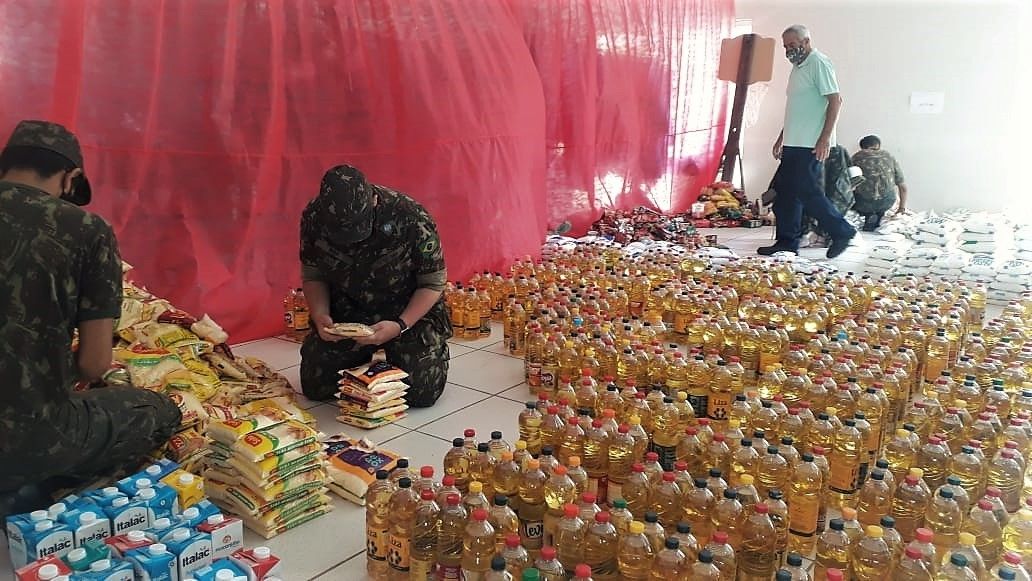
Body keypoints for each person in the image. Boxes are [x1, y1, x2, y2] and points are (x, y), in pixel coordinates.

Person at [0, 120, 181, 517]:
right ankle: (40, 491)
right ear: (71, 178)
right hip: (27, 439)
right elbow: (94, 364)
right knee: (157, 411)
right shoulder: (85, 229)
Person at [299, 165, 452, 407]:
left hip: (406, 310)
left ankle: (418, 352)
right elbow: (313, 274)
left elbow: (433, 282)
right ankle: (361, 358)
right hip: (348, 309)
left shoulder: (410, 216)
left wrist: (400, 325)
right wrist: (320, 315)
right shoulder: (315, 217)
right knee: (316, 387)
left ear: (374, 200)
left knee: (421, 393)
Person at [760, 24, 857, 259]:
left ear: (806, 41)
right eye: (785, 46)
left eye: (792, 45)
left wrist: (824, 139)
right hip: (793, 142)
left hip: (810, 144)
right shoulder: (797, 67)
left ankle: (842, 231)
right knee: (785, 194)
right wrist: (781, 138)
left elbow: (836, 101)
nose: (788, 50)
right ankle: (787, 242)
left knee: (807, 192)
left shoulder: (818, 63)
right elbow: (798, 109)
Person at [851, 134, 908, 231]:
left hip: (863, 203)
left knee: (856, 194)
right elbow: (903, 187)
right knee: (888, 194)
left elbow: (846, 183)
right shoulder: (889, 156)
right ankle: (879, 214)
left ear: (862, 147)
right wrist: (901, 209)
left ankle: (868, 214)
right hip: (887, 201)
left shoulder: (856, 157)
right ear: (878, 145)